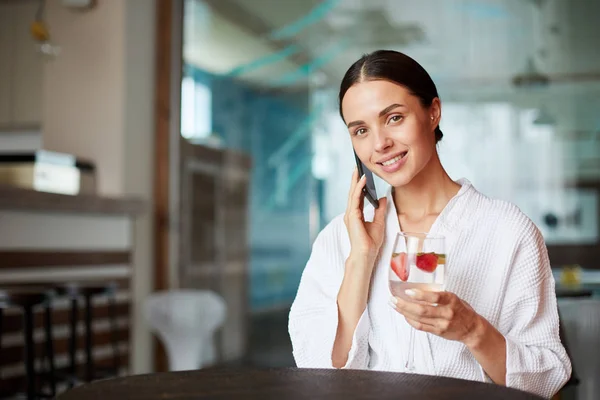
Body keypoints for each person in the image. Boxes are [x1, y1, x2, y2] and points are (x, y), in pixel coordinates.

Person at [288, 50, 571, 399]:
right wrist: (361, 257)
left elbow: (546, 379)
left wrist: (473, 330)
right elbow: (319, 372)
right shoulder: (341, 238)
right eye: (361, 130)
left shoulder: (508, 231)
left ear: (433, 112)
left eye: (393, 118)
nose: (380, 144)